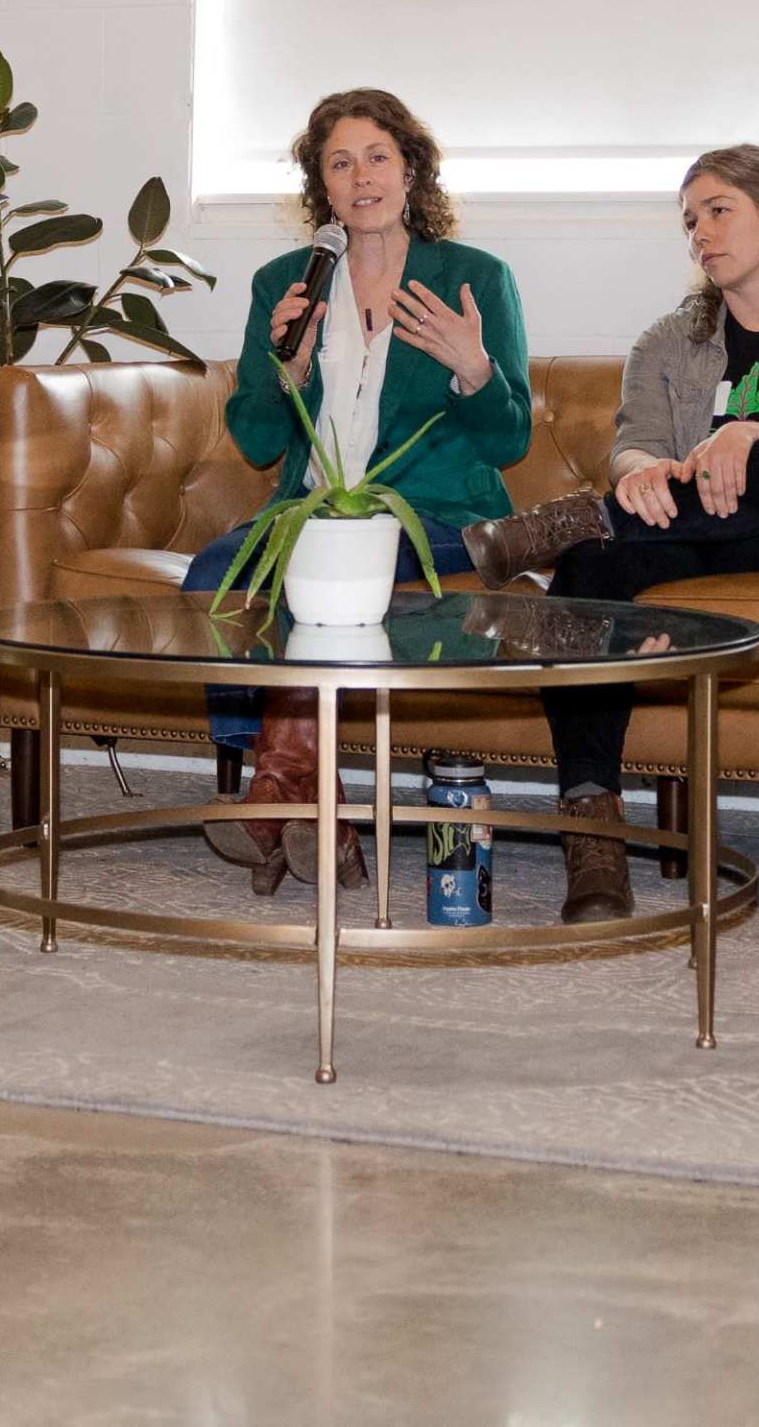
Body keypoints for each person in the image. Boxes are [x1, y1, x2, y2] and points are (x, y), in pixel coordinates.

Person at [460, 146, 759, 923]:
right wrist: (636, 474)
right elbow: (634, 442)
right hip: (687, 545)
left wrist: (749, 438)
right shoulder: (668, 341)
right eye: (689, 220)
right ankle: (591, 831)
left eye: (719, 209)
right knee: (592, 567)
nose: (700, 231)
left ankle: (570, 519)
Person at [185, 89, 531, 897]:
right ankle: (314, 803)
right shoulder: (287, 282)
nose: (360, 175)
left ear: (411, 169)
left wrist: (474, 370)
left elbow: (509, 439)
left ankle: (273, 799)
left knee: (335, 583)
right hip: (308, 515)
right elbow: (259, 439)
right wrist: (288, 373)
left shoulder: (474, 277)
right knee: (214, 574)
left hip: (434, 515)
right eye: (339, 162)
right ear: (323, 187)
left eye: (377, 156)